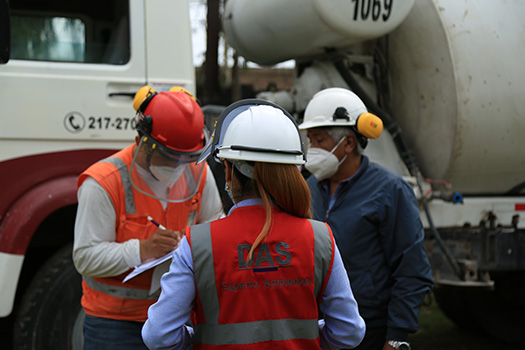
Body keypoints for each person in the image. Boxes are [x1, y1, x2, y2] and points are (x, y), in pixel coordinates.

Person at [142, 99, 366, 350]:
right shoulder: (321, 238)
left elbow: (159, 335)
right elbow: (349, 331)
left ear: (228, 171)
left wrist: (200, 338)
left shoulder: (197, 244)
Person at [73, 86, 224, 350]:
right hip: (114, 323)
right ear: (144, 140)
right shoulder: (103, 182)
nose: (178, 166)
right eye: (171, 156)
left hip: (175, 317)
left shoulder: (197, 174)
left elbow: (216, 229)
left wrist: (193, 247)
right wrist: (142, 250)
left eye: (186, 158)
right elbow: (85, 257)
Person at [299, 88, 434, 350]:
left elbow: (412, 270)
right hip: (316, 327)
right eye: (310, 141)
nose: (312, 149)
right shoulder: (308, 189)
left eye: (319, 140)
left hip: (369, 330)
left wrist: (396, 337)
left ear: (348, 143)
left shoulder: (390, 191)